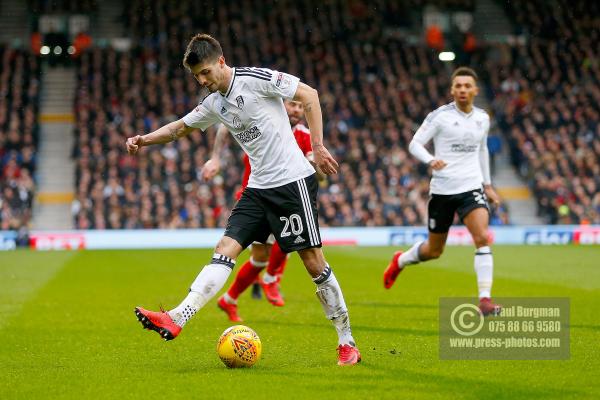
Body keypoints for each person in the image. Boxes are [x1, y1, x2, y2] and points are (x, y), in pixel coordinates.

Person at [127, 33, 360, 366]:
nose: (203, 81)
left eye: (206, 72)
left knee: (313, 262)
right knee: (225, 249)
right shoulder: (214, 104)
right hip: (256, 189)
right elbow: (179, 128)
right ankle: (177, 317)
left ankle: (346, 340)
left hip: (292, 183)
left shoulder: (256, 79)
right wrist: (143, 140)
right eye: (198, 78)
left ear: (221, 61)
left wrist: (319, 147)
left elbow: (309, 95)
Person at [383, 67, 502, 316]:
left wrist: (487, 185)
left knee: (481, 237)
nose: (462, 90)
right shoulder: (439, 116)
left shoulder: (483, 118)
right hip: (443, 190)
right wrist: (430, 160)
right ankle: (401, 260)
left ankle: (485, 301)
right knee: (434, 251)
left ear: (475, 90)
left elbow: (482, 151)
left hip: (471, 187)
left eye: (467, 86)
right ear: (452, 90)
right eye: (458, 86)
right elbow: (414, 143)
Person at [203, 99, 324, 321]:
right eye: (292, 104)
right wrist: (216, 158)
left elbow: (314, 167)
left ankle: (231, 298)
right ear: (280, 104)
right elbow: (224, 126)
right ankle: (267, 281)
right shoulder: (264, 122)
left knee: (273, 247)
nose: (297, 110)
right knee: (267, 252)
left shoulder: (305, 135)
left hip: (282, 199)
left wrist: (318, 166)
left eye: (300, 106)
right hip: (255, 197)